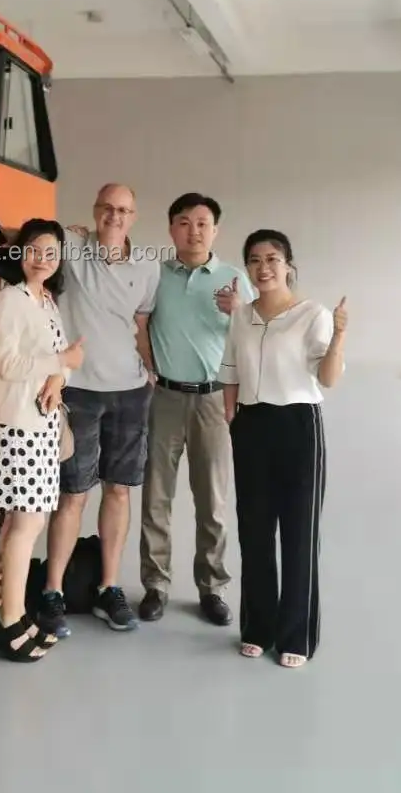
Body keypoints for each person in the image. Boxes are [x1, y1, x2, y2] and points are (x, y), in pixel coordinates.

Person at [0, 182, 158, 636]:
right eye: (107, 207)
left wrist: (150, 369)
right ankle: (52, 591)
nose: (114, 216)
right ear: (95, 210)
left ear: (134, 216)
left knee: (119, 492)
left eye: (123, 210)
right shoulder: (71, 247)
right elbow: (30, 239)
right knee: (71, 495)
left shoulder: (147, 266)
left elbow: (141, 324)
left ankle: (108, 587)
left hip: (129, 392)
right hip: (78, 393)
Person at [218, 228, 347, 668]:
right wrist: (232, 415)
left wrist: (340, 335)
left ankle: (296, 635)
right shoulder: (242, 315)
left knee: (298, 533)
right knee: (254, 532)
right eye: (254, 260)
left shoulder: (312, 314)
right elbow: (230, 367)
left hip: (297, 425)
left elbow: (328, 377)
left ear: (288, 265)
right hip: (251, 425)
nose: (263, 268)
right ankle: (258, 627)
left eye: (272, 259)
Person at [137, 193, 253, 627]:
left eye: (203, 223)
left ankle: (212, 587)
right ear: (171, 229)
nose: (194, 231)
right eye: (184, 222)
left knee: (213, 500)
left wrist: (239, 313)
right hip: (164, 397)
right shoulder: (155, 275)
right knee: (156, 497)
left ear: (215, 230)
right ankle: (156, 585)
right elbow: (139, 323)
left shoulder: (234, 278)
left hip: (213, 400)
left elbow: (256, 338)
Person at [0, 218, 84, 662]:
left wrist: (60, 374)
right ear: (19, 252)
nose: (42, 258)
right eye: (34, 249)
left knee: (27, 523)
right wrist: (61, 362)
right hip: (18, 424)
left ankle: (14, 615)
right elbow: (6, 363)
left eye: (51, 251)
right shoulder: (9, 300)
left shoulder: (47, 302)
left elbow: (63, 364)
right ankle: (10, 623)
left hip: (43, 425)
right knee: (26, 523)